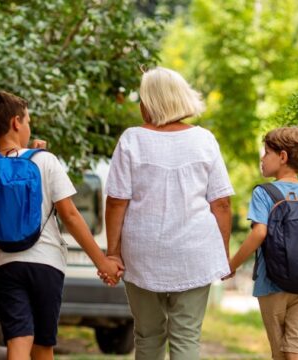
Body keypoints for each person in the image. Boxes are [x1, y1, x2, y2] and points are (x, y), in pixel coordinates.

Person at [0, 91, 123, 360]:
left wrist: (37, 155)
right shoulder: (46, 161)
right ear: (17, 123)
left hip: (5, 264)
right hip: (46, 263)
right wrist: (102, 261)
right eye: (28, 121)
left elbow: (12, 191)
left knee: (18, 339)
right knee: (43, 345)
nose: (29, 127)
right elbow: (70, 215)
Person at [102, 67, 234, 360]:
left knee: (148, 336)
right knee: (186, 336)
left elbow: (116, 202)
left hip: (142, 252)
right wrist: (223, 253)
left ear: (151, 102)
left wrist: (113, 252)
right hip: (195, 252)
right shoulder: (204, 140)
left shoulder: (132, 139)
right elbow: (221, 203)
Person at [225, 126, 298, 360]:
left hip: (271, 286)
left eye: (266, 152)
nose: (262, 158)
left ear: (282, 157)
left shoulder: (264, 193)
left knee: (280, 354)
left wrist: (232, 264)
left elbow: (259, 232)